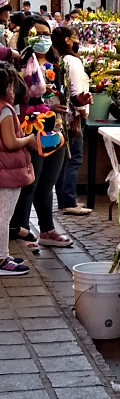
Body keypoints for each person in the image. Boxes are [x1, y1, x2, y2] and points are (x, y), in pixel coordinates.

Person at [9, 15, 72, 249]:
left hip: (55, 128)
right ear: (27, 36)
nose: (44, 39)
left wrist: (73, 102)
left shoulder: (58, 63)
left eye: (47, 34)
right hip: (29, 130)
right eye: (38, 34)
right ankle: (20, 229)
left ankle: (47, 229)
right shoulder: (18, 65)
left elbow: (63, 93)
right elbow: (15, 100)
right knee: (29, 183)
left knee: (48, 183)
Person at [51, 25, 92, 215]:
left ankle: (64, 199)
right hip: (72, 116)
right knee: (74, 158)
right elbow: (76, 90)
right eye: (74, 37)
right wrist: (83, 110)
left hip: (63, 115)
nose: (77, 40)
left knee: (65, 160)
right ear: (67, 40)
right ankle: (68, 200)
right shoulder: (72, 61)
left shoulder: (60, 59)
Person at [0, 62, 36, 274]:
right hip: (7, 173)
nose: (13, 91)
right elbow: (11, 142)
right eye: (11, 86)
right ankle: (2, 259)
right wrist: (29, 139)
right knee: (3, 217)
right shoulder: (4, 110)